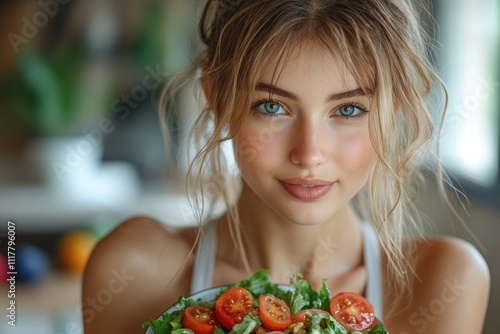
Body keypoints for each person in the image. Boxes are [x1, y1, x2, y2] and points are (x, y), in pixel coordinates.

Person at [82, 0, 490, 333]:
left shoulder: (445, 282)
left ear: (393, 110)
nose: (309, 153)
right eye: (272, 107)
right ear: (218, 98)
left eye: (348, 110)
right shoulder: (131, 269)